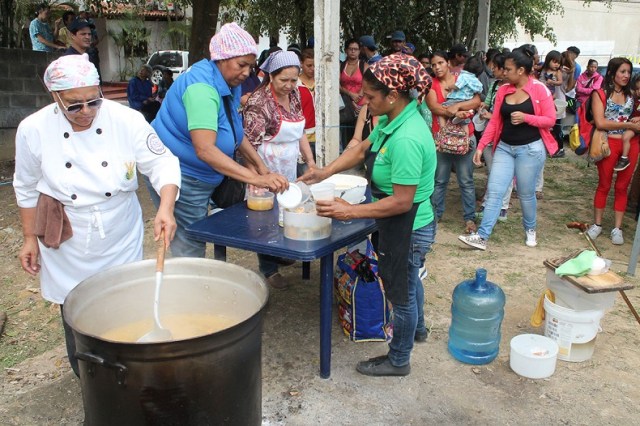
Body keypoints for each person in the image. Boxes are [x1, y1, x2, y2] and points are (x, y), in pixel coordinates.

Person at [13, 54, 181, 376]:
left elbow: (163, 164)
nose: (87, 112)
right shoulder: (33, 129)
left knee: (124, 302)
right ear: (55, 97)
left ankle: (127, 368)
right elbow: (25, 186)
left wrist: (165, 207)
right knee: (75, 308)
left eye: (94, 100)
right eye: (74, 105)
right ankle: (86, 373)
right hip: (69, 240)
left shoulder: (126, 120)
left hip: (119, 229)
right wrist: (28, 237)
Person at [300, 54, 435, 376]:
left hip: (408, 225)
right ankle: (418, 330)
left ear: (392, 95)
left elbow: (402, 201)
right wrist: (325, 172)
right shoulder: (391, 120)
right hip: (398, 221)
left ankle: (399, 359)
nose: (364, 102)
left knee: (400, 296)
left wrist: (350, 211)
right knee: (409, 279)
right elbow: (361, 150)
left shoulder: (407, 138)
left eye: (371, 97)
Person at [150, 22, 288, 259]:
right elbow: (204, 150)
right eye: (241, 65)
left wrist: (262, 168)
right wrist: (255, 178)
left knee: (207, 232)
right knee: (191, 243)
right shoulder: (202, 89)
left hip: (205, 174)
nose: (246, 73)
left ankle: (206, 282)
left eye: (250, 66)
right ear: (221, 58)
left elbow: (235, 132)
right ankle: (193, 290)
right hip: (185, 174)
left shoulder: (227, 82)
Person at [457, 47, 557, 251]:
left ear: (521, 70)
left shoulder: (539, 89)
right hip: (504, 148)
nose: (504, 72)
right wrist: (481, 146)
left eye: (508, 69)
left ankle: (530, 229)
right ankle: (482, 236)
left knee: (526, 193)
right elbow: (494, 121)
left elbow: (550, 120)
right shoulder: (503, 89)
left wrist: (527, 117)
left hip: (530, 149)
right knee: (494, 192)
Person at [243, 50, 317, 289]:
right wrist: (258, 176)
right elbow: (248, 146)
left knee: (287, 210)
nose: (289, 85)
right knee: (264, 219)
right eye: (283, 80)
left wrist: (311, 162)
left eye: (293, 80)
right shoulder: (259, 102)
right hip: (262, 165)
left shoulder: (295, 95)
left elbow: (300, 132)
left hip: (287, 165)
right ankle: (268, 269)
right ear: (270, 76)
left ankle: (280, 252)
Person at [585, 58, 640, 245]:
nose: (626, 76)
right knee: (604, 184)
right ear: (612, 72)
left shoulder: (633, 96)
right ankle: (597, 224)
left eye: (628, 72)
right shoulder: (600, 94)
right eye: (622, 71)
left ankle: (617, 228)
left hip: (630, 144)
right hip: (607, 144)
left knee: (622, 186)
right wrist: (626, 124)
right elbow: (600, 122)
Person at [426, 50, 481, 234]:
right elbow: (434, 107)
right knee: (440, 180)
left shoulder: (462, 78)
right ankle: (435, 215)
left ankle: (469, 218)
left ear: (448, 63)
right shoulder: (431, 84)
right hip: (442, 139)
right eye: (434, 65)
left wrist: (456, 106)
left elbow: (477, 101)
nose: (437, 67)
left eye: (440, 63)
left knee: (466, 180)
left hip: (465, 138)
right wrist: (455, 113)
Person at [476, 53, 513, 222]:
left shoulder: (514, 89)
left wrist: (491, 117)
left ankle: (503, 207)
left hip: (505, 136)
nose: (492, 69)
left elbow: (505, 115)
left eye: (495, 67)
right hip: (490, 134)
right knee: (492, 171)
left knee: (506, 172)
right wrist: (483, 107)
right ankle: (489, 203)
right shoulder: (494, 85)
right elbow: (489, 103)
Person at [437, 58, 484, 136]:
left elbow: (457, 86)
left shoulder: (464, 76)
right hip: (467, 101)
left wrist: (450, 87)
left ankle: (443, 131)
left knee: (442, 109)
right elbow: (479, 90)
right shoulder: (475, 79)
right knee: (465, 123)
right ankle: (466, 140)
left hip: (456, 99)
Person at [339, 39, 367, 147]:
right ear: (346, 50)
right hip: (346, 104)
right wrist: (351, 95)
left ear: (359, 51)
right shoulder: (341, 66)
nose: (353, 51)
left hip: (361, 103)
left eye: (355, 49)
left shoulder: (363, 66)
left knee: (360, 134)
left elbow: (367, 83)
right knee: (346, 134)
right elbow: (337, 85)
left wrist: (359, 97)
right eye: (350, 49)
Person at [616, 75, 640, 172]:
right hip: (632, 124)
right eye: (637, 89)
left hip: (635, 125)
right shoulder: (633, 99)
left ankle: (624, 158)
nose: (639, 91)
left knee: (626, 137)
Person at [298, 48, 317, 172]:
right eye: (309, 65)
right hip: (302, 138)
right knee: (307, 175)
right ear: (301, 64)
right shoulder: (295, 84)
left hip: (322, 136)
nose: (313, 69)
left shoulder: (323, 82)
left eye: (315, 65)